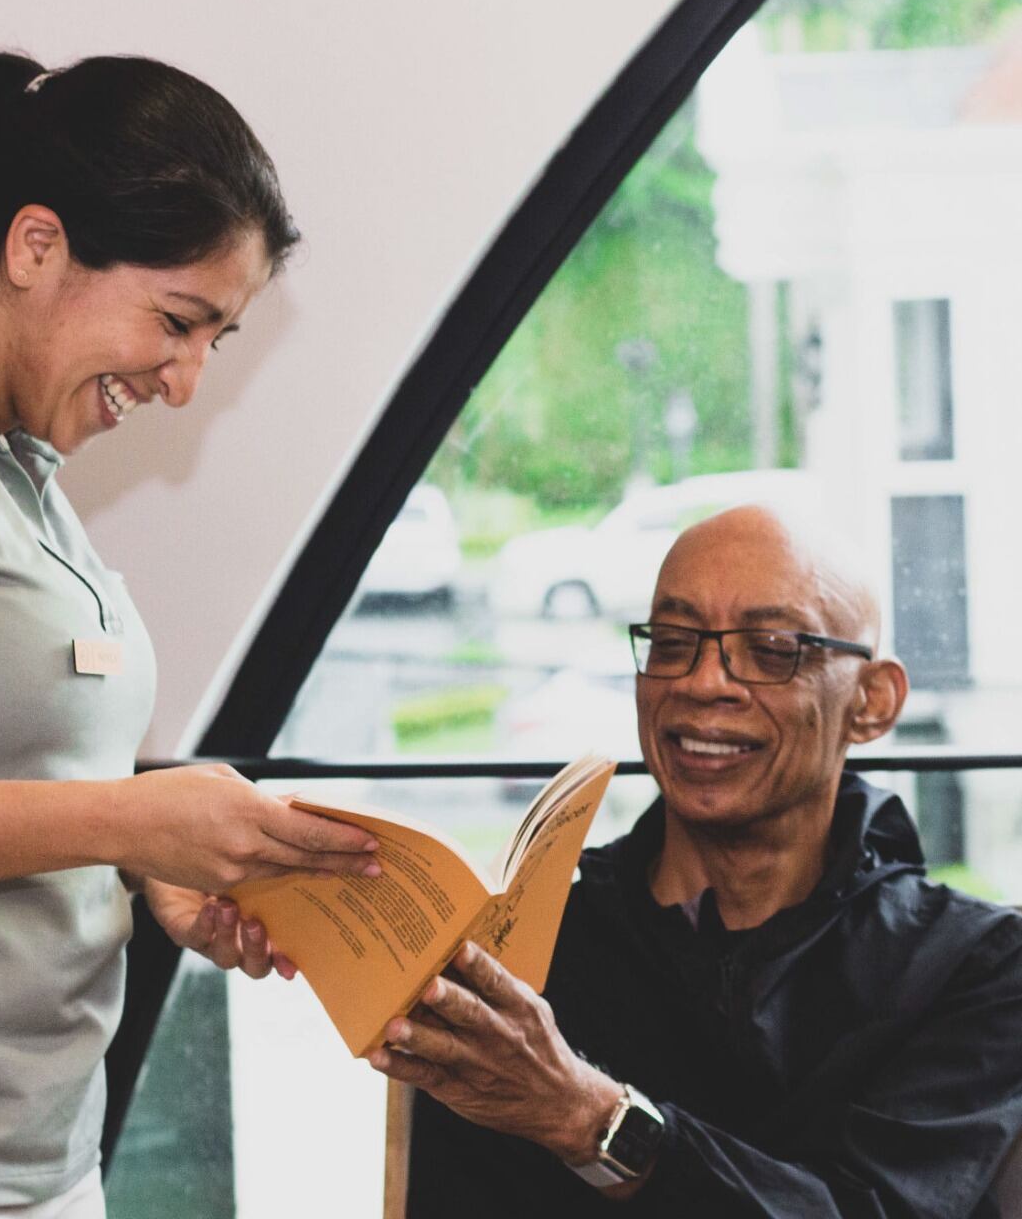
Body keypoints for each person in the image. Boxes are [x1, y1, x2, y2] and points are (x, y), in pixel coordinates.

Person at [0, 51, 382, 1217]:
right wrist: (131, 816)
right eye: (178, 321)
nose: (183, 383)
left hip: (29, 1159)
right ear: (37, 247)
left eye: (213, 342)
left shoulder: (17, 463)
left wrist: (149, 865)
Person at [372, 506, 1022, 1217]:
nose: (703, 680)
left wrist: (589, 1119)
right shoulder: (526, 944)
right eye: (673, 641)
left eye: (772, 648)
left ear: (871, 702)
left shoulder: (971, 966)